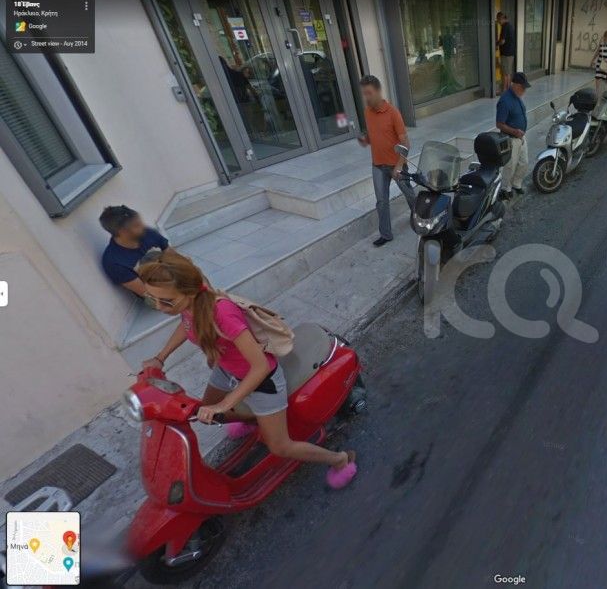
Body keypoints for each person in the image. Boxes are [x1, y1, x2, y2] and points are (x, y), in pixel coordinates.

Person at [138, 250, 358, 489]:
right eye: (151, 299)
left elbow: (260, 366)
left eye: (166, 301)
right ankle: (256, 419)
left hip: (262, 381)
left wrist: (225, 403)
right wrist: (160, 358)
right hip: (227, 370)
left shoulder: (222, 313)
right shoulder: (188, 305)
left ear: (189, 292)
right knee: (205, 413)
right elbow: (187, 324)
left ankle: (339, 459)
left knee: (280, 446)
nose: (159, 307)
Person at [357, 75, 416, 247]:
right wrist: (366, 140)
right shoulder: (367, 112)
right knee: (381, 202)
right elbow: (373, 134)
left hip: (396, 164)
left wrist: (399, 165)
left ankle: (419, 218)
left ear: (378, 92)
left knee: (409, 194)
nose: (366, 97)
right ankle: (386, 234)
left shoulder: (393, 113)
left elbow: (406, 143)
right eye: (364, 94)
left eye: (369, 93)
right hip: (377, 165)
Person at [100, 205, 169, 298]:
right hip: (160, 295)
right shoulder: (114, 263)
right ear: (123, 232)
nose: (143, 226)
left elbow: (172, 255)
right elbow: (147, 294)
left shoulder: (148, 233)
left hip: (174, 277)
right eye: (137, 225)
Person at [496, 72, 530, 197]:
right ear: (514, 85)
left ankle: (516, 184)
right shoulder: (505, 101)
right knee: (510, 166)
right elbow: (499, 124)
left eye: (525, 87)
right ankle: (506, 189)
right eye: (522, 87)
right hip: (511, 139)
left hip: (521, 137)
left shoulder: (517, 96)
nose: (524, 90)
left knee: (523, 163)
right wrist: (515, 131)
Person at [591, 31, 607, 99]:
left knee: (605, 78)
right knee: (597, 77)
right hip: (599, 62)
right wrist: (593, 60)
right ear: (604, 36)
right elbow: (598, 52)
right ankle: (597, 92)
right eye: (606, 36)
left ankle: (603, 92)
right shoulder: (601, 43)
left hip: (606, 64)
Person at [497, 12, 516, 93]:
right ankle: (507, 89)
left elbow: (502, 41)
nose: (498, 22)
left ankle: (505, 90)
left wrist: (496, 44)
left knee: (505, 73)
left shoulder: (505, 27)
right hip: (511, 53)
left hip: (506, 54)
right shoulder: (510, 26)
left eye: (498, 20)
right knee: (508, 73)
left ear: (501, 18)